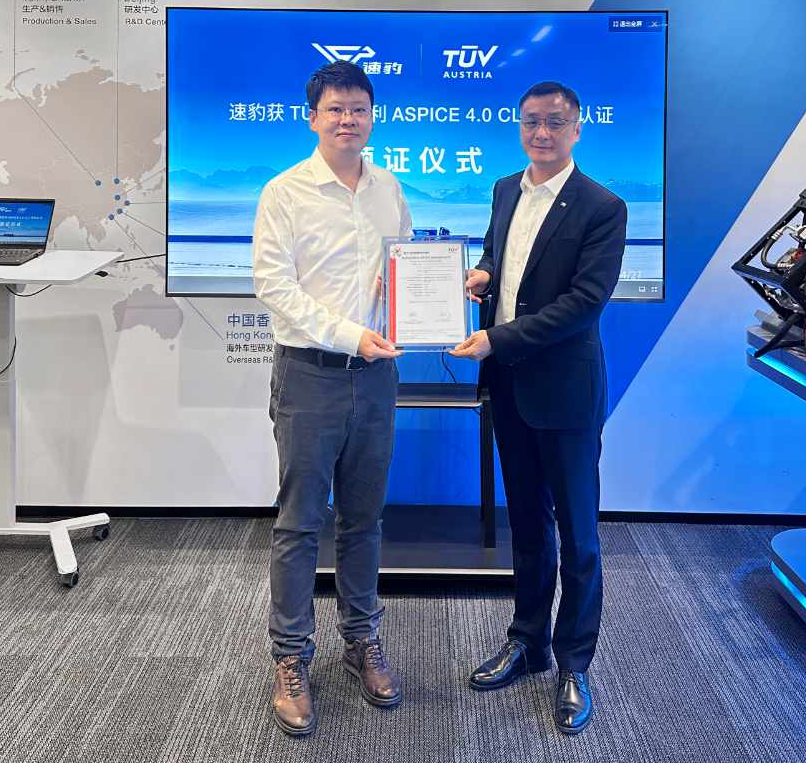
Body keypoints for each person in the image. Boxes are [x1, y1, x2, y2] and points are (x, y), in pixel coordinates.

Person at [450, 80, 627, 735]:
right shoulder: (505, 189)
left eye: (555, 122)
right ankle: (528, 641)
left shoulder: (603, 206)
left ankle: (574, 665)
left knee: (579, 537)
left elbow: (584, 302)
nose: (542, 133)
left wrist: (497, 337)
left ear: (577, 127)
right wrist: (483, 274)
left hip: (565, 390)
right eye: (531, 122)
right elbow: (502, 259)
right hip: (509, 386)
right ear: (519, 126)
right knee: (527, 524)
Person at [253, 60, 411, 737]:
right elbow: (274, 286)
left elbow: (406, 263)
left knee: (364, 519)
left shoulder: (389, 187)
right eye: (336, 109)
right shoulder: (284, 191)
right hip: (310, 374)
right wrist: (351, 334)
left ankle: (361, 638)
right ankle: (290, 656)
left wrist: (423, 292)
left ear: (373, 117)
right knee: (299, 523)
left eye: (359, 109)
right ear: (313, 116)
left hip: (376, 378)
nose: (349, 119)